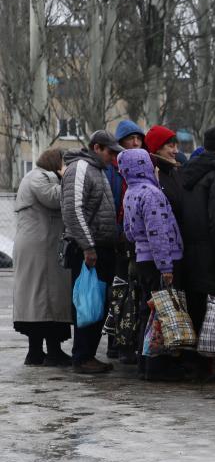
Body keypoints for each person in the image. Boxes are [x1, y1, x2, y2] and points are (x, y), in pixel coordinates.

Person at [120, 149, 186, 381]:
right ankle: (158, 365)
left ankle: (144, 362)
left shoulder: (131, 192)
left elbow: (129, 231)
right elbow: (158, 234)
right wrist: (166, 267)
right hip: (160, 260)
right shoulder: (151, 194)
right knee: (162, 313)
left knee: (148, 311)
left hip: (142, 259)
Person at [61, 129, 123, 374]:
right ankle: (82, 356)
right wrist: (88, 246)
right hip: (88, 250)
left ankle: (87, 354)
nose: (113, 157)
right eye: (110, 152)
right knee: (88, 302)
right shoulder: (81, 169)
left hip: (99, 247)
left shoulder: (98, 170)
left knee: (96, 302)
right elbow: (73, 211)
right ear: (97, 148)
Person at [177, 126, 215, 338]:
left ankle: (191, 361)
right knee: (213, 314)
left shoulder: (188, 171)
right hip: (213, 255)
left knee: (194, 308)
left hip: (189, 253)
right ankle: (208, 363)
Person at [13, 148, 73, 367]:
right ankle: (51, 352)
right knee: (45, 300)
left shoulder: (33, 177)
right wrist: (69, 177)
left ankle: (37, 352)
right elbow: (54, 198)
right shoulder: (41, 176)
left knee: (38, 301)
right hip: (43, 248)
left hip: (38, 247)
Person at [105, 119, 145, 362]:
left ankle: (127, 341)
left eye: (139, 138)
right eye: (131, 138)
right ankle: (115, 342)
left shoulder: (142, 165)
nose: (136, 142)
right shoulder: (113, 169)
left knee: (133, 293)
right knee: (119, 293)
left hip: (134, 239)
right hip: (119, 238)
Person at [145, 125, 185, 231]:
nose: (176, 151)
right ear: (157, 148)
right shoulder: (151, 176)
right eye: (171, 146)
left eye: (176, 146)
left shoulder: (176, 171)